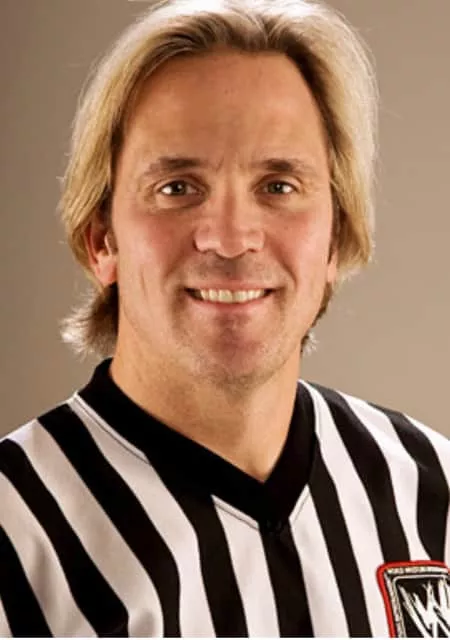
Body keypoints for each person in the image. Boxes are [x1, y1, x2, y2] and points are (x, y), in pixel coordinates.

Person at [1, 0, 449, 636]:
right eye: (177, 188)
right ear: (102, 240)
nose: (233, 238)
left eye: (278, 186)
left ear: (335, 236)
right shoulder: (16, 530)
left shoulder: (432, 493)